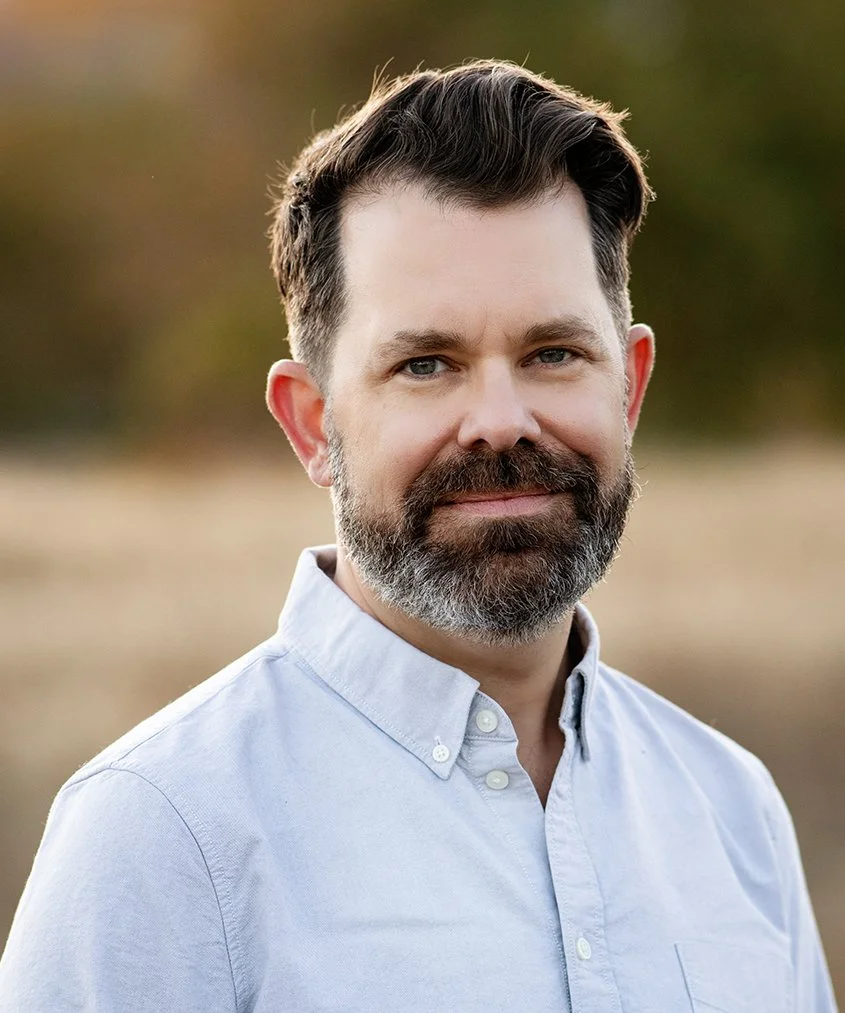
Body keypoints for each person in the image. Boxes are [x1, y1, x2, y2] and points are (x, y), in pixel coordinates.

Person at [0, 60, 836, 1013]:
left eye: (552, 353)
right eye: (426, 363)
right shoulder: (162, 837)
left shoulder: (732, 810)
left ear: (629, 387)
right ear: (313, 425)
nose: (501, 420)